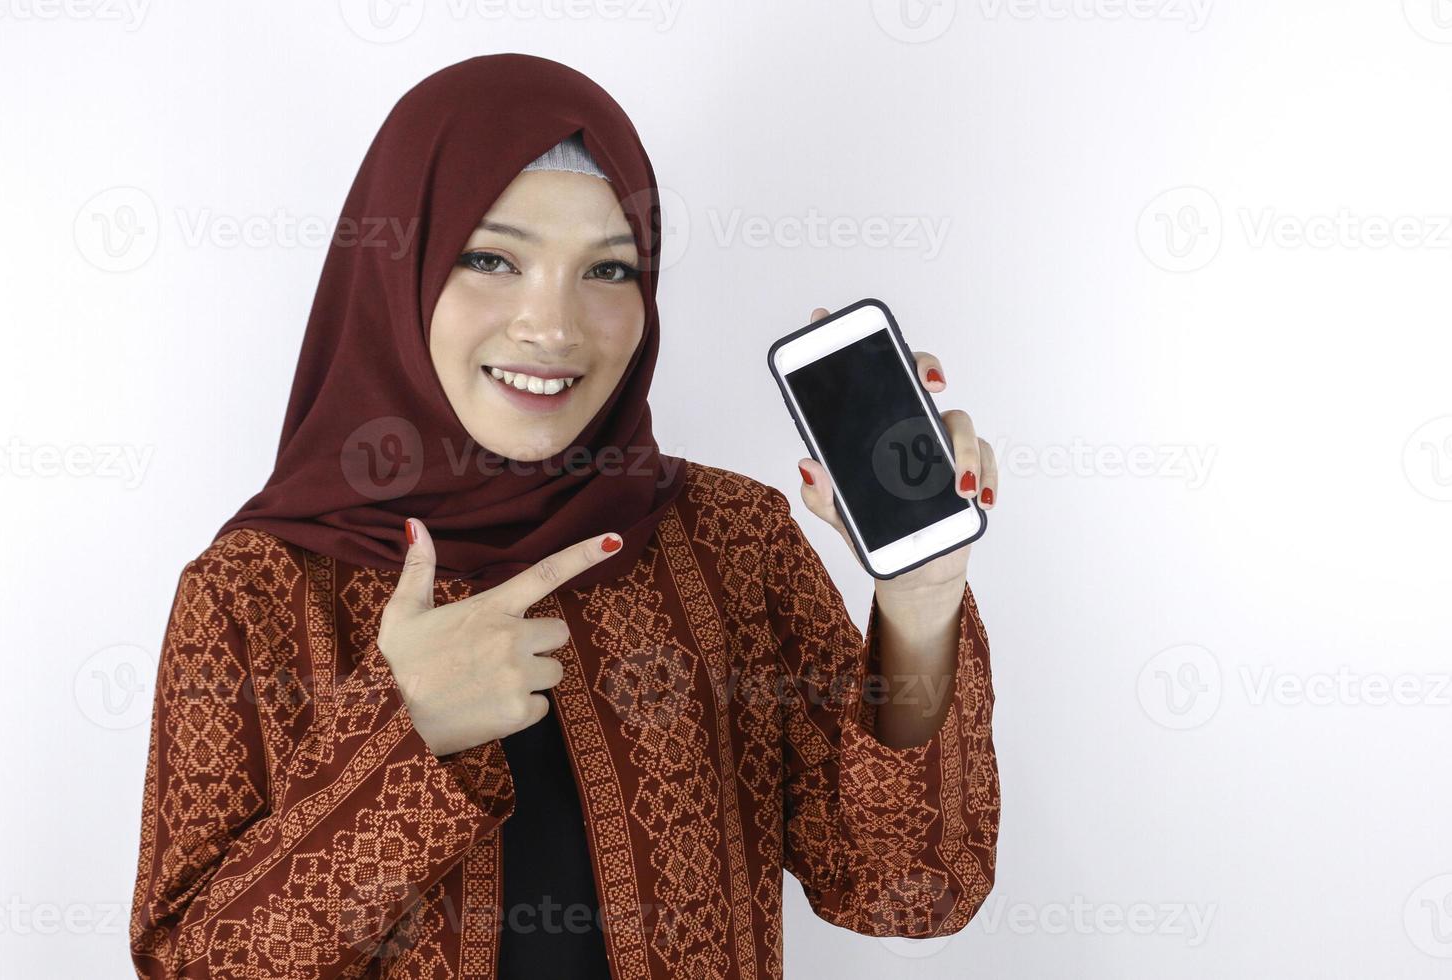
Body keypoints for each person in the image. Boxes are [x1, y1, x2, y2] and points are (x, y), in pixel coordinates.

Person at [128, 52, 1000, 979]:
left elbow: (912, 888)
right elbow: (190, 964)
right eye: (491, 258)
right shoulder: (253, 592)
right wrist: (402, 732)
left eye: (609, 270)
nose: (553, 327)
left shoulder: (731, 541)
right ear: (397, 269)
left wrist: (918, 602)